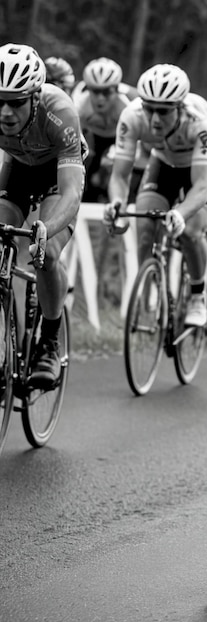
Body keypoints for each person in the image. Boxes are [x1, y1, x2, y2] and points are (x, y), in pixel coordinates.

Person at [105, 64, 207, 327]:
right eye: (149, 109)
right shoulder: (131, 116)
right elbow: (120, 176)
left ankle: (197, 295)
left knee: (190, 230)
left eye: (163, 111)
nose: (155, 119)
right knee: (145, 223)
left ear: (180, 107)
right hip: (164, 162)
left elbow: (201, 188)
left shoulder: (200, 123)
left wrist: (180, 213)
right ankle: (147, 289)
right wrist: (117, 202)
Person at [0, 43, 85, 386]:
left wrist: (46, 228)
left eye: (16, 102)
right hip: (16, 169)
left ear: (35, 97)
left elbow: (71, 192)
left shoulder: (59, 112)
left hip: (56, 175)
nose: (6, 112)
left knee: (47, 252)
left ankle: (49, 340)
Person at [74, 57, 130, 202]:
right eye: (95, 91)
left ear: (117, 90)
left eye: (107, 92)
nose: (100, 98)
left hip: (117, 135)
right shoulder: (79, 103)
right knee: (85, 160)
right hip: (91, 135)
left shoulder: (126, 105)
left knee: (115, 163)